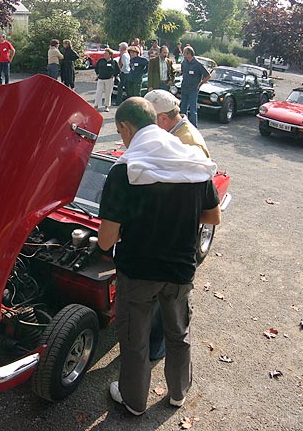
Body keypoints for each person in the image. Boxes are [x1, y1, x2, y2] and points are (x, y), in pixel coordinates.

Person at [98, 96, 220, 415]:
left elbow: (105, 240)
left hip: (138, 272)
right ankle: (179, 393)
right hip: (180, 270)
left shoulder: (124, 170)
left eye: (120, 132)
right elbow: (212, 216)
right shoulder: (192, 161)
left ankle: (134, 401)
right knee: (178, 333)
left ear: (125, 126)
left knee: (135, 340)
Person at [143, 89, 212, 361]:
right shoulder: (171, 133)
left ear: (161, 118)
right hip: (165, 227)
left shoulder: (190, 145)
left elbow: (203, 204)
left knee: (167, 299)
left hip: (175, 236)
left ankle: (156, 347)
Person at [180, 46, 210, 127]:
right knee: (183, 109)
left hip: (193, 90)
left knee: (193, 110)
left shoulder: (198, 64)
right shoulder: (184, 62)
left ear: (189, 54)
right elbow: (182, 72)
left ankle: (193, 127)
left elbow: (207, 76)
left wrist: (200, 84)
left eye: (184, 53)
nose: (183, 55)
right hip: (184, 88)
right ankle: (183, 126)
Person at [93, 48, 120, 112]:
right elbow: (96, 68)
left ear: (110, 55)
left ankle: (107, 106)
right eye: (104, 53)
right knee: (98, 92)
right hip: (101, 79)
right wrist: (97, 74)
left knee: (108, 93)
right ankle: (96, 105)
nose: (104, 55)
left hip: (109, 80)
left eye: (106, 54)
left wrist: (114, 75)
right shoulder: (101, 60)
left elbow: (117, 70)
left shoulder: (113, 62)